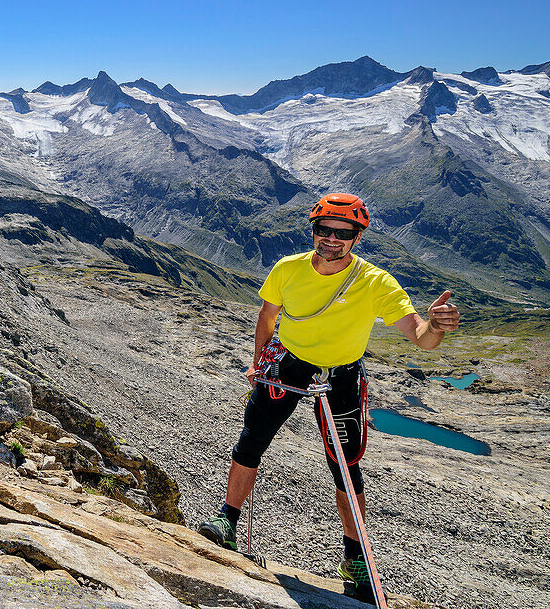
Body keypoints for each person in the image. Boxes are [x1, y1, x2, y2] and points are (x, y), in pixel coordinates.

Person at [197, 192, 460, 600]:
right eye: (324, 230)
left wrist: (437, 324)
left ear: (357, 237)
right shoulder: (288, 269)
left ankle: (354, 558)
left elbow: (421, 339)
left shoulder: (376, 282)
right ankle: (227, 521)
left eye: (343, 232)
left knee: (346, 466)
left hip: (342, 375)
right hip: (288, 363)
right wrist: (256, 362)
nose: (332, 238)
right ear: (314, 230)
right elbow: (268, 317)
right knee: (251, 442)